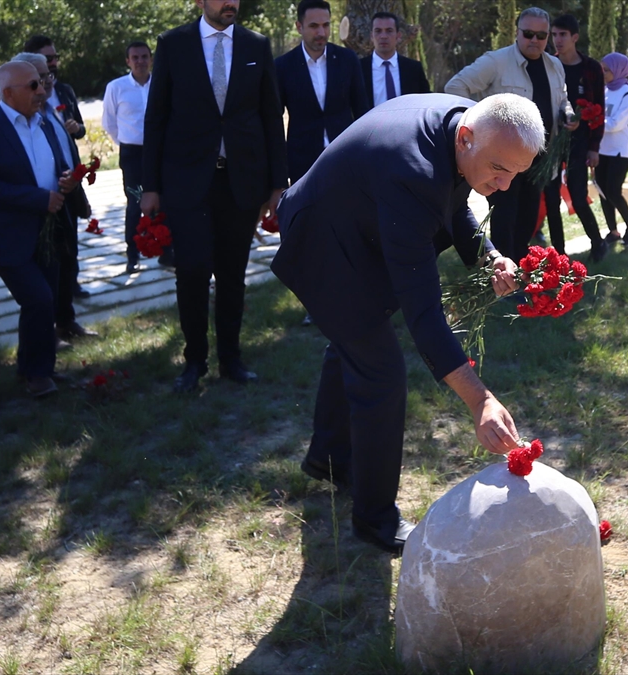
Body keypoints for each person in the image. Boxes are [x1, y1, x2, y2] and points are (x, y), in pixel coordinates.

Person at [271, 93, 543, 554]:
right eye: (499, 170)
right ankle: (375, 519)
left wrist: (489, 256)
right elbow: (423, 311)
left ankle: (328, 458)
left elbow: (453, 201)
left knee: (353, 345)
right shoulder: (414, 170)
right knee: (380, 373)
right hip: (321, 242)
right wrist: (479, 400)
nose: (504, 185)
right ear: (466, 139)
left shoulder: (473, 128)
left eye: (516, 173)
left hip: (357, 225)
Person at [141, 0, 289, 393]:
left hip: (241, 182)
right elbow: (156, 116)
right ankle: (194, 361)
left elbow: (271, 116)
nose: (230, 3)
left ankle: (231, 359)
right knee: (191, 271)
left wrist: (278, 182)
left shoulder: (256, 45)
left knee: (232, 275)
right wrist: (150, 186)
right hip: (187, 182)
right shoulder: (173, 44)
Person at [0, 61, 88, 397]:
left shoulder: (45, 121)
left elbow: (57, 164)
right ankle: (37, 376)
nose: (42, 91)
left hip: (48, 229)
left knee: (44, 301)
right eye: (33, 85)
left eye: (41, 83)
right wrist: (37, 198)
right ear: (7, 93)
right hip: (6, 234)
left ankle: (35, 368)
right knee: (38, 298)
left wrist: (66, 180)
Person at [444, 7, 577, 264]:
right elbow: (455, 87)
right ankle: (500, 270)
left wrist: (568, 114)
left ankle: (518, 267)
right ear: (517, 32)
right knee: (504, 218)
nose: (534, 40)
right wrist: (482, 127)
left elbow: (562, 99)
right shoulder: (496, 61)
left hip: (539, 159)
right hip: (502, 161)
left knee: (528, 218)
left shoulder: (555, 65)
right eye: (528, 34)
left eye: (541, 35)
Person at [12, 52, 97, 343]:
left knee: (67, 261)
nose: (46, 82)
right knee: (44, 271)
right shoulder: (24, 117)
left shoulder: (52, 107)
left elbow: (64, 150)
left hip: (65, 196)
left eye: (47, 75)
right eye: (38, 77)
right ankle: (45, 332)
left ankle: (66, 321)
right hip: (38, 204)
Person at [276, 0, 369, 185]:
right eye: (314, 26)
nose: (321, 32)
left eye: (326, 25)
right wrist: (279, 172)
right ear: (299, 27)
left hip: (345, 158)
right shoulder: (283, 66)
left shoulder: (347, 59)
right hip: (303, 164)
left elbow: (362, 111)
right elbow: (274, 120)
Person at [542, 14, 606, 261]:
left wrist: (594, 147)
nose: (557, 40)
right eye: (554, 35)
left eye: (563, 35)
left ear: (575, 37)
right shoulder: (548, 64)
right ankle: (558, 253)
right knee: (551, 198)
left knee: (578, 197)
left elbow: (599, 111)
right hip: (551, 142)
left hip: (580, 143)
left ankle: (598, 243)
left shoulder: (591, 68)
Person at [102, 41, 162, 273]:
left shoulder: (161, 83)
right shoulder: (116, 87)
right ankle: (133, 254)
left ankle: (167, 251)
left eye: (144, 56)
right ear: (128, 61)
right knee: (136, 203)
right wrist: (126, 142)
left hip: (160, 153)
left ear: (151, 59)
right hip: (133, 155)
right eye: (135, 57)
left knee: (164, 200)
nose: (140, 61)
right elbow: (109, 122)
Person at [598, 52, 628, 253]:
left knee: (613, 191)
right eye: (602, 69)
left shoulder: (627, 95)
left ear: (618, 70)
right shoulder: (604, 90)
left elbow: (616, 124)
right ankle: (613, 231)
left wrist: (594, 121)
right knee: (603, 192)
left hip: (620, 151)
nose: (603, 73)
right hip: (601, 149)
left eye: (606, 70)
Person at [360, 11, 430, 108]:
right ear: (372, 36)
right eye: (378, 31)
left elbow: (426, 102)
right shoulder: (359, 69)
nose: (383, 36)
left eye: (389, 31)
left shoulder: (413, 69)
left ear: (398, 36)